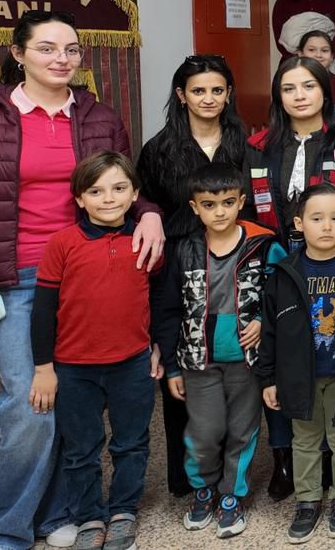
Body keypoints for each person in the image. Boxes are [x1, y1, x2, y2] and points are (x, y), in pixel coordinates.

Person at [0, 10, 164, 550]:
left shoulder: (100, 117)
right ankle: (5, 530)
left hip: (90, 274)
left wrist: (149, 212)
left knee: (74, 401)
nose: (62, 59)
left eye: (71, 49)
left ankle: (58, 513)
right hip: (13, 279)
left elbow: (123, 183)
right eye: (47, 48)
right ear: (19, 54)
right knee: (30, 404)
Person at [29, 151, 161, 550]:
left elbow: (158, 300)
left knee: (131, 443)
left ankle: (123, 511)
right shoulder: (62, 244)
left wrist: (157, 347)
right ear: (79, 199)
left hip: (132, 363)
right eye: (96, 191)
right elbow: (43, 310)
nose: (108, 198)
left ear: (134, 194)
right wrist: (43, 368)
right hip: (74, 368)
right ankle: (88, 516)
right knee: (81, 449)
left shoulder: (145, 241)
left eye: (119, 188)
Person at [136, 54, 249, 500]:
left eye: (217, 90)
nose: (208, 98)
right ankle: (189, 480)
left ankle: (238, 471)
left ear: (228, 94)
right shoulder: (159, 149)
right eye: (198, 91)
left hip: (236, 262)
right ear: (181, 95)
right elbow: (144, 204)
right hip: (180, 267)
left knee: (239, 367)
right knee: (184, 366)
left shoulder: (246, 141)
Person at [152, 162, 279, 539]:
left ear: (241, 201)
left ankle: (232, 495)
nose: (219, 212)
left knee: (243, 430)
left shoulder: (263, 245)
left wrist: (264, 321)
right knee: (204, 431)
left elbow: (283, 295)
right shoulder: (183, 250)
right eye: (209, 204)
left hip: (246, 361)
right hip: (198, 362)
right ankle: (203, 489)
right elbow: (168, 310)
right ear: (195, 208)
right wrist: (173, 367)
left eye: (227, 202)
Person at [259, 183, 335, 542]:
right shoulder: (284, 274)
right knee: (305, 439)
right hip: (299, 375)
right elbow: (270, 331)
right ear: (299, 224)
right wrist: (268, 377)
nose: (326, 226)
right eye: (316, 218)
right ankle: (308, 500)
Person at [242, 57, 335, 240]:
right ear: (279, 97)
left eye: (309, 86)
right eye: (288, 89)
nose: (299, 96)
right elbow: (246, 208)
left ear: (324, 91)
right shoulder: (258, 146)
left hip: (334, 251)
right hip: (272, 251)